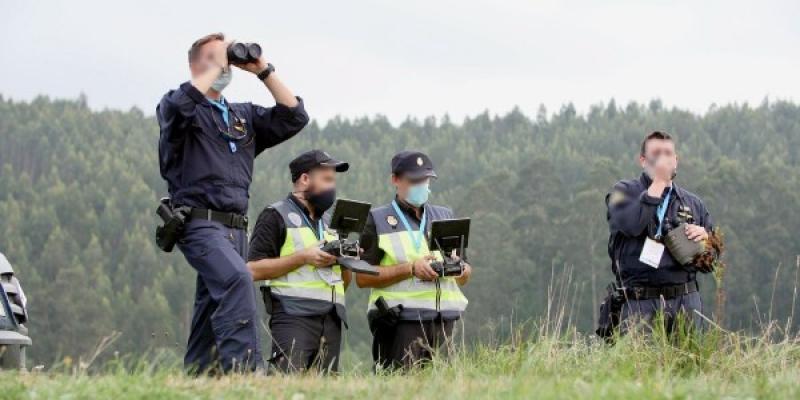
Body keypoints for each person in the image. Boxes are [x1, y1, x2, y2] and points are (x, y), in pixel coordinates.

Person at [156, 32, 309, 374]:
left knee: (212, 304)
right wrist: (213, 68)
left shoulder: (242, 116)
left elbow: (294, 117)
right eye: (214, 56)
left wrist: (261, 69)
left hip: (235, 228)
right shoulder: (177, 108)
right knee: (238, 279)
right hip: (198, 224)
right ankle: (246, 374)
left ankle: (198, 378)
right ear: (195, 65)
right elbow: (180, 105)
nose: (224, 63)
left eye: (227, 57)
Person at [358, 150, 472, 370]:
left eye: (425, 179)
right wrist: (410, 269)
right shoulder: (377, 219)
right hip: (401, 321)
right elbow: (362, 277)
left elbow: (465, 276)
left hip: (444, 321)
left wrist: (459, 268)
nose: (422, 185)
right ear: (395, 180)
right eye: (414, 180)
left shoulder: (445, 216)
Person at [247, 150, 350, 373]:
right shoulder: (275, 215)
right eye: (327, 180)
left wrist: (347, 260)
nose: (332, 187)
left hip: (331, 319)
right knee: (285, 387)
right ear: (305, 179)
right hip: (293, 317)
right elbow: (252, 270)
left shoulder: (331, 221)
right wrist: (303, 257)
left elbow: (343, 282)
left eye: (333, 181)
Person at [605, 131, 713, 334]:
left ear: (676, 160)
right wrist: (658, 184)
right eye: (656, 153)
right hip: (640, 302)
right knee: (639, 366)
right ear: (643, 160)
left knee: (688, 365)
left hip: (685, 302)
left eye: (668, 153)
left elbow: (712, 263)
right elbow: (632, 225)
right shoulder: (622, 192)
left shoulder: (693, 203)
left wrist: (706, 241)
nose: (663, 158)